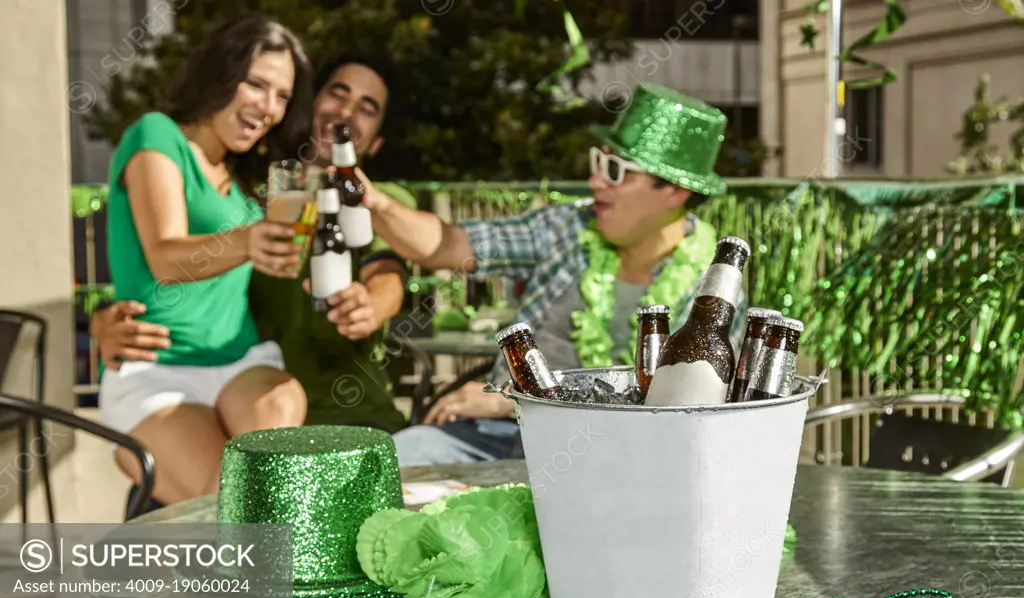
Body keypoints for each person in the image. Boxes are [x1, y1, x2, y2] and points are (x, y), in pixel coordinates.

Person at [357, 83, 750, 465]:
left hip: (613, 455)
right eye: (599, 162)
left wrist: (514, 394)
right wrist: (372, 202)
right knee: (387, 464)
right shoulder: (571, 226)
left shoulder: (713, 290)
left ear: (674, 192)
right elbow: (448, 246)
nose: (595, 180)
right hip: (497, 433)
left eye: (614, 170)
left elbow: (684, 415)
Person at [92, 52, 413, 449]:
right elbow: (174, 260)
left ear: (377, 140)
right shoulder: (251, 199)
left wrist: (373, 304)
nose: (346, 112)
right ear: (307, 106)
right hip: (240, 415)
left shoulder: (382, 203)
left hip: (355, 421)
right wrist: (104, 318)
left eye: (367, 108)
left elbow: (388, 275)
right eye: (338, 94)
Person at [99, 14, 314, 509]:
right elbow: (165, 258)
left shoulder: (242, 178)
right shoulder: (157, 135)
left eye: (282, 95)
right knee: (228, 507)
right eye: (257, 84)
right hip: (159, 369)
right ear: (221, 73)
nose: (269, 107)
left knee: (281, 403)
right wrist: (248, 240)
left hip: (241, 361)